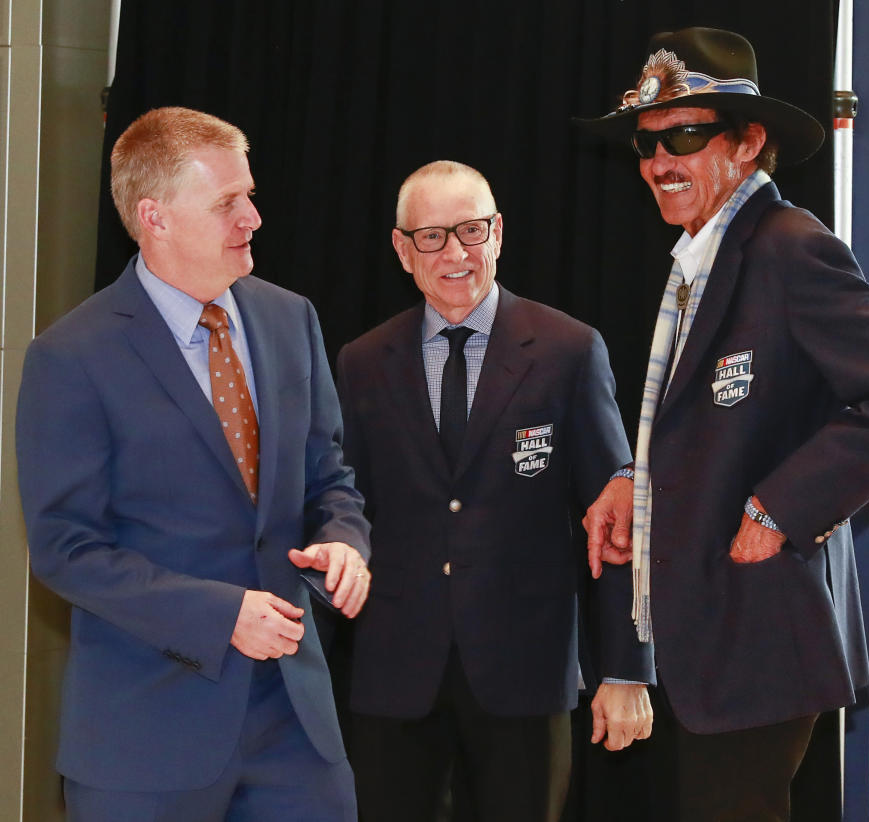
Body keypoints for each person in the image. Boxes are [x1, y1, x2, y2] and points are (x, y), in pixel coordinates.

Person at [577, 27, 869, 821]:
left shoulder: (787, 249)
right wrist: (628, 480)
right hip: (717, 633)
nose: (660, 163)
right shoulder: (702, 257)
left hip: (762, 632)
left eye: (684, 135)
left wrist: (777, 510)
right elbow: (701, 429)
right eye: (646, 145)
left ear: (748, 143)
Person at [16, 106, 371, 821]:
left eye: (248, 194)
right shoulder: (72, 358)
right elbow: (65, 549)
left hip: (296, 731)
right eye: (227, 203)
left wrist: (343, 541)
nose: (253, 218)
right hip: (145, 737)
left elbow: (329, 476)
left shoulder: (289, 318)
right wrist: (218, 615)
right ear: (155, 217)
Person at [335, 160, 641, 822]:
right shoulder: (361, 362)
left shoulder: (567, 351)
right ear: (401, 248)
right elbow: (343, 507)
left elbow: (615, 522)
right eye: (432, 237)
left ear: (497, 233)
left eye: (470, 231)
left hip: (525, 674)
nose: (454, 254)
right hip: (394, 675)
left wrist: (625, 667)